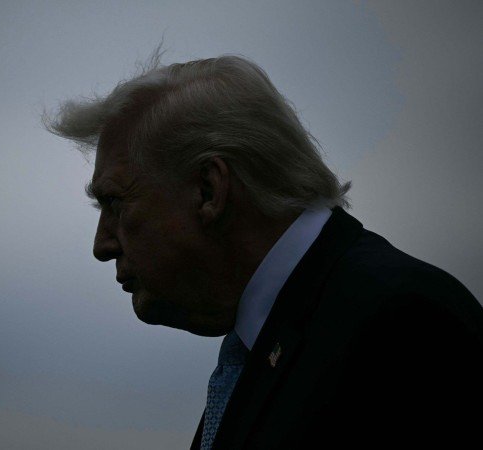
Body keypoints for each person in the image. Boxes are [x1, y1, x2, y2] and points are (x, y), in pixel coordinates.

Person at [45, 51, 483, 449]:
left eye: (115, 203)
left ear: (208, 190)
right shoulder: (271, 344)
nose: (102, 246)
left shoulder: (402, 324)